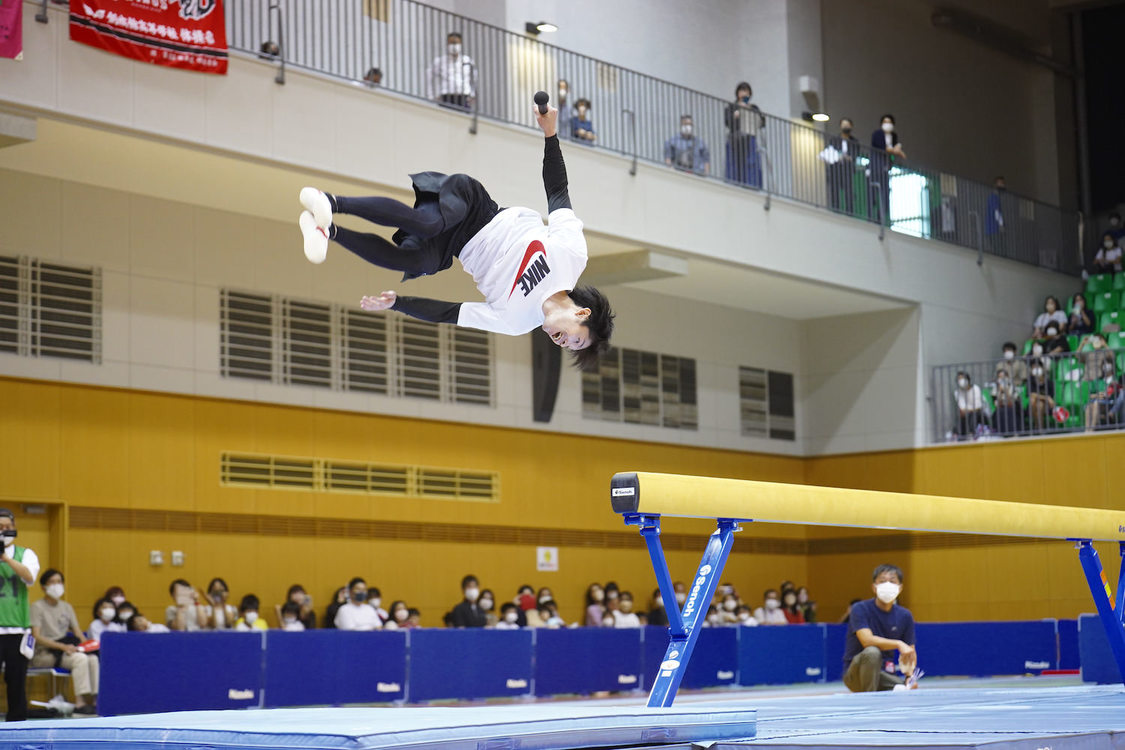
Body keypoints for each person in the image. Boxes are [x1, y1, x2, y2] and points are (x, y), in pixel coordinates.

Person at [298, 102, 615, 371]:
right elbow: (557, 192)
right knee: (429, 224)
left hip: (456, 246)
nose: (564, 343)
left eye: (571, 347)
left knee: (415, 260)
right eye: (576, 338)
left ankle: (324, 229)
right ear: (581, 313)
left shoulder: (515, 322)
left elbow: (451, 314)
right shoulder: (571, 255)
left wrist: (398, 303)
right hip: (475, 208)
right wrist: (550, 134)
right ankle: (332, 202)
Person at [30, 569, 99, 714]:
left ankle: (96, 701)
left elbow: (78, 632)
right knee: (80, 659)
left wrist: (86, 647)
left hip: (66, 650)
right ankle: (80, 703)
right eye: (52, 582)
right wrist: (62, 647)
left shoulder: (66, 607)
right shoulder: (37, 607)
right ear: (43, 586)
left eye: (59, 582)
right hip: (45, 653)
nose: (57, 585)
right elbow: (36, 636)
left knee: (91, 658)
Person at [842, 564, 917, 692]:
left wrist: (910, 677)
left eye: (892, 581)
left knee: (905, 689)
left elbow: (909, 651)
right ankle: (869, 699)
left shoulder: (905, 615)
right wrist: (898, 643)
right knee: (872, 652)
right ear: (874, 587)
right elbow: (867, 640)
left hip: (884, 674)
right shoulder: (860, 609)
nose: (887, 584)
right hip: (856, 675)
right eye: (882, 581)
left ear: (900, 588)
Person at [0, 509, 37, 722]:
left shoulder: (26, 554)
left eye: (7, 527)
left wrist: (4, 557)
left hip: (17, 629)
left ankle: (17, 727)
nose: (4, 531)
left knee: (16, 682)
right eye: (0, 527)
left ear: (14, 529)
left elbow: (29, 577)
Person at [724, 81, 765, 188]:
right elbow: (727, 122)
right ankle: (734, 184)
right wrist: (736, 114)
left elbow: (762, 122)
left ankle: (751, 185)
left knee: (751, 163)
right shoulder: (732, 107)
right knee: (735, 164)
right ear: (737, 93)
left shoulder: (754, 108)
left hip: (749, 138)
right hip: (736, 139)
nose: (744, 94)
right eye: (742, 91)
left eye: (746, 91)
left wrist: (750, 110)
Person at [869, 114, 906, 226]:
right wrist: (895, 151)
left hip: (886, 168)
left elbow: (896, 148)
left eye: (889, 122)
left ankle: (881, 218)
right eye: (885, 122)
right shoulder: (877, 134)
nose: (887, 124)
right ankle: (871, 217)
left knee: (885, 194)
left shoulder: (893, 136)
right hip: (876, 167)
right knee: (874, 193)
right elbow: (881, 147)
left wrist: (897, 149)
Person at [823, 117, 861, 215]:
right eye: (844, 125)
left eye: (847, 125)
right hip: (836, 169)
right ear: (840, 126)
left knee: (848, 191)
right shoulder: (834, 140)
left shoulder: (855, 142)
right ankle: (836, 211)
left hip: (848, 170)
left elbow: (855, 155)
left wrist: (849, 158)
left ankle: (849, 213)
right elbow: (831, 153)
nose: (845, 127)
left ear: (851, 126)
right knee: (835, 191)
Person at [428, 31, 474, 110]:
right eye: (451, 43)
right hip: (447, 95)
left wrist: (472, 94)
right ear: (447, 44)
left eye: (456, 43)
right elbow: (429, 75)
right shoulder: (440, 61)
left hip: (463, 95)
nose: (454, 46)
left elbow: (474, 78)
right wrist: (431, 95)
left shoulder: (467, 60)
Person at [1026, 359, 1057, 432]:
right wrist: (1046, 397)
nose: (1035, 370)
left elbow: (1052, 396)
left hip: (1047, 406)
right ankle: (1040, 428)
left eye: (1037, 367)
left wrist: (1046, 399)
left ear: (1042, 368)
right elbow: (1031, 394)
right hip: (1032, 406)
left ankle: (1038, 427)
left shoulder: (1049, 382)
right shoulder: (1030, 381)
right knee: (1034, 401)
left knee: (1040, 404)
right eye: (1033, 368)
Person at [991, 366, 1022, 435]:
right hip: (1001, 408)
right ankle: (1001, 433)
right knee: (999, 411)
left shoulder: (1012, 387)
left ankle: (1013, 432)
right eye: (1000, 377)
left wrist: (1006, 391)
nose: (1002, 379)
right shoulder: (995, 389)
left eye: (1004, 377)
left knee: (1010, 410)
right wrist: (1000, 392)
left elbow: (1011, 403)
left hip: (1012, 407)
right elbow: (997, 404)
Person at [954, 370, 985, 438]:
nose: (961, 380)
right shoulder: (957, 392)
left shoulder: (976, 388)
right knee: (961, 417)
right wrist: (966, 410)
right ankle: (958, 436)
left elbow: (978, 406)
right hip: (967, 414)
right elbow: (962, 407)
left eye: (962, 378)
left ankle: (972, 434)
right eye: (959, 379)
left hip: (979, 413)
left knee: (973, 414)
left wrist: (967, 410)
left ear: (968, 379)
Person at [985, 176, 1006, 251]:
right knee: (999, 250)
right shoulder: (994, 197)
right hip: (994, 229)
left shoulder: (994, 197)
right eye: (1001, 183)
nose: (1003, 185)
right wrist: (1001, 224)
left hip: (992, 230)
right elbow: (996, 212)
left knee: (997, 249)